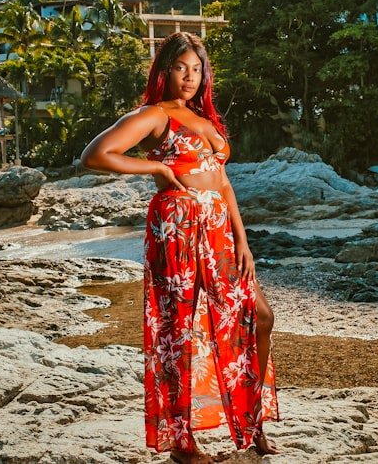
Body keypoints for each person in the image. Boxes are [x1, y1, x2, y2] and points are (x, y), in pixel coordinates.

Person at [81, 32, 279, 464]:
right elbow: (95, 155)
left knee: (258, 317)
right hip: (177, 226)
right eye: (180, 68)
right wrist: (154, 165)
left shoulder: (204, 118)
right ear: (164, 70)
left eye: (196, 69)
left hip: (219, 230)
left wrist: (243, 240)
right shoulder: (154, 115)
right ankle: (181, 441)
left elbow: (223, 182)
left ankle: (251, 421)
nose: (189, 77)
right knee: (178, 334)